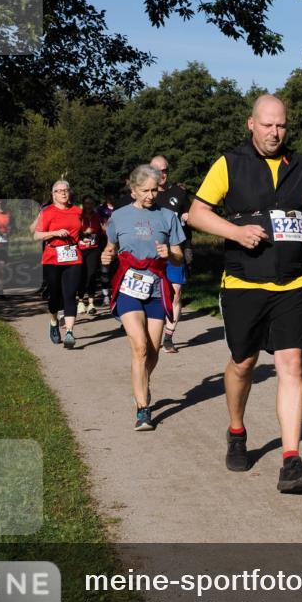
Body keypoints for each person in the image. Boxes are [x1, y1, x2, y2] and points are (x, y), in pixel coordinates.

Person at [187, 94, 302, 493]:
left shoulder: (301, 165)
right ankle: (236, 430)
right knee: (243, 363)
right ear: (251, 124)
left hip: (292, 283)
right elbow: (197, 213)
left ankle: (291, 462)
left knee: (291, 365)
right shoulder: (229, 163)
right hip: (244, 283)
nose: (274, 132)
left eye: (281, 125)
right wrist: (235, 232)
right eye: (267, 125)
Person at [101, 164, 185, 431]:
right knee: (138, 347)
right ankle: (143, 409)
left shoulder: (167, 216)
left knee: (152, 350)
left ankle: (142, 380)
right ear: (134, 189)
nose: (151, 195)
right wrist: (107, 255)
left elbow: (179, 254)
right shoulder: (119, 217)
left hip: (156, 287)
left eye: (155, 190)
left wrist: (169, 254)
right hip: (129, 286)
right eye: (146, 191)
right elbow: (110, 247)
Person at [32, 180, 84, 348]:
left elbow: (81, 232)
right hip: (52, 257)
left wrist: (84, 241)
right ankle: (54, 322)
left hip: (73, 257)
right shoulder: (47, 212)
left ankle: (69, 332)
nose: (63, 193)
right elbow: (36, 236)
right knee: (55, 295)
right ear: (53, 194)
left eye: (65, 190)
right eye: (59, 191)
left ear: (70, 193)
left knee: (70, 294)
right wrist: (55, 233)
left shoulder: (77, 211)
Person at [150, 155, 193, 354]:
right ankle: (150, 332)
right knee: (151, 295)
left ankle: (168, 337)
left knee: (176, 294)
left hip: (176, 251)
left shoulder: (179, 193)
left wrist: (189, 217)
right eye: (158, 171)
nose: (162, 174)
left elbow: (192, 215)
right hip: (151, 253)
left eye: (165, 170)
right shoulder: (145, 195)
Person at [76, 195, 103, 315]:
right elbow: (74, 231)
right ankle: (80, 301)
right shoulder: (78, 216)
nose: (89, 206)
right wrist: (83, 233)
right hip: (80, 249)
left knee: (91, 275)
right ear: (83, 204)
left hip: (93, 249)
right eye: (86, 203)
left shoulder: (97, 216)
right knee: (81, 275)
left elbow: (102, 231)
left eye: (91, 203)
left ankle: (91, 303)